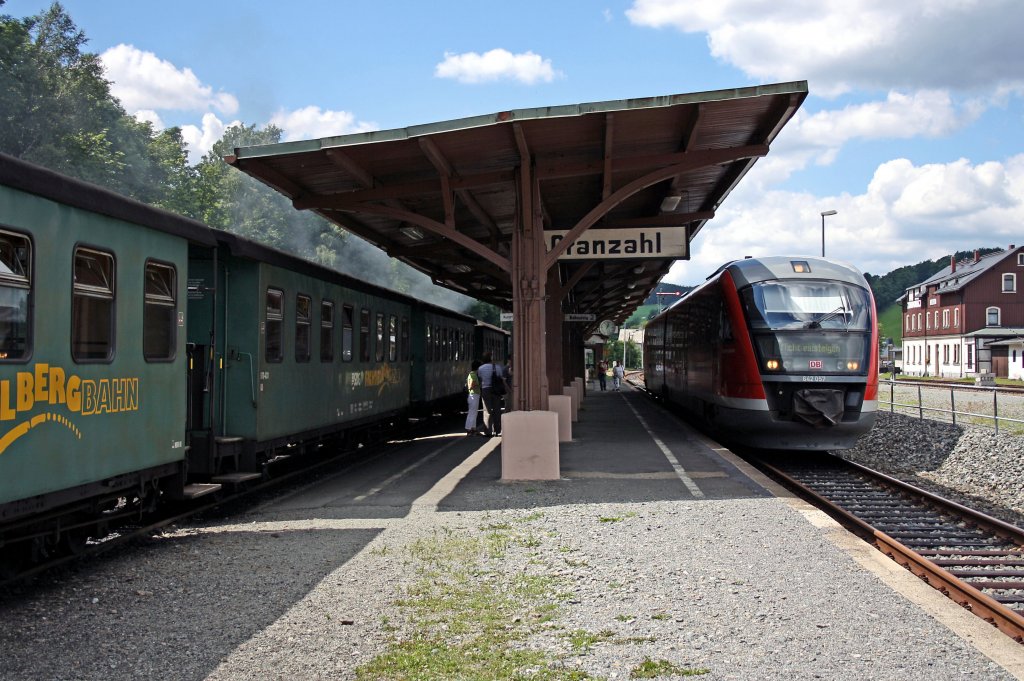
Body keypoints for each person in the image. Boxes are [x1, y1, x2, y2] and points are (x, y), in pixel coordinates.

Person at [477, 352, 507, 437]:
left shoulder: (480, 368)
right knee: (497, 410)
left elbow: (480, 379)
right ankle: (497, 430)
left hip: (485, 390)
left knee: (487, 410)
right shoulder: (497, 367)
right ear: (491, 359)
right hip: (496, 390)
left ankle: (488, 431)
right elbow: (501, 378)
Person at [465, 360, 482, 435]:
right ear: (478, 368)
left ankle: (473, 428)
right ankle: (469, 428)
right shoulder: (473, 375)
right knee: (472, 412)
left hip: (474, 395)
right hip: (473, 395)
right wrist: (479, 385)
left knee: (474, 412)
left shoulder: (471, 374)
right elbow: (471, 385)